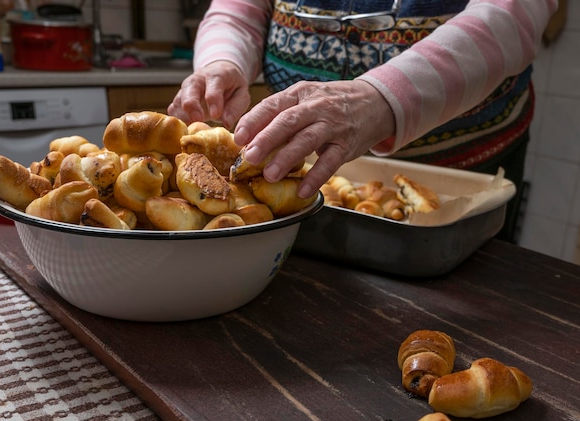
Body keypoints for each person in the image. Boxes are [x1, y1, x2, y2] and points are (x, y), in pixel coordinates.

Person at [168, 0, 558, 243]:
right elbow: (241, 8)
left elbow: (513, 10)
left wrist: (384, 98)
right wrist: (223, 60)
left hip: (460, 169)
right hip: (289, 178)